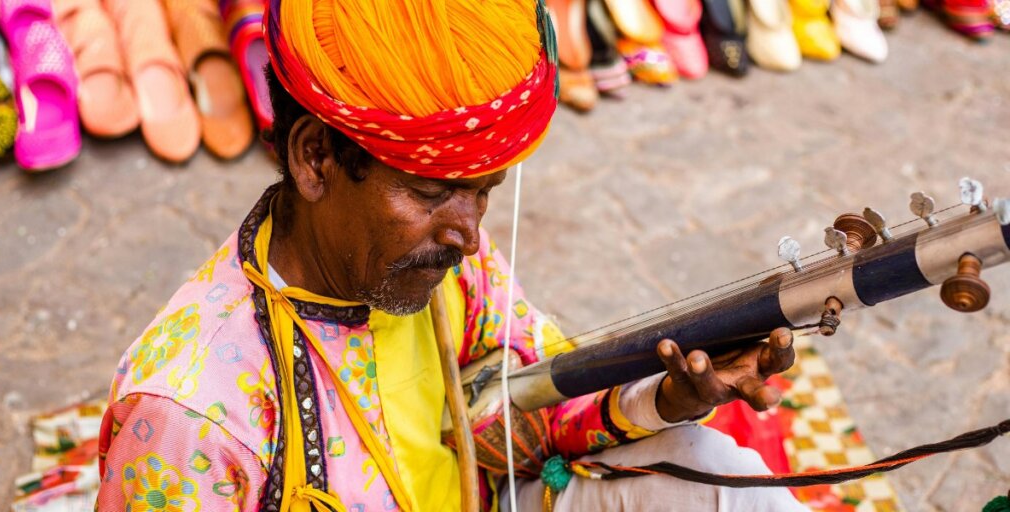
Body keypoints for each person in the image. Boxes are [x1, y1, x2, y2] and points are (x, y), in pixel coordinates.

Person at [95, 1, 809, 510]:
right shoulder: (193, 420)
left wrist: (662, 398)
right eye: (433, 192)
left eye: (485, 191)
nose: (468, 233)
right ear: (315, 157)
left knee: (710, 470)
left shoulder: (437, 255)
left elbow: (527, 409)